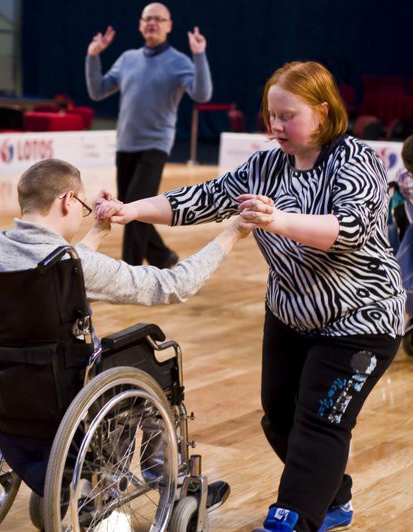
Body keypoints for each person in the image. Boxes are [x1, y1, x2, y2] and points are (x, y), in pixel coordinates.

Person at [97, 61, 404, 532]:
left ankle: (292, 518)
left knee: (319, 423)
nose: (276, 126)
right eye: (271, 115)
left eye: (288, 116)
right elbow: (201, 199)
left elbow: (349, 229)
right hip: (289, 314)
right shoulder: (264, 165)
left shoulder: (354, 159)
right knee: (279, 418)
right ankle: (333, 497)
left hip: (360, 321)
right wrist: (130, 209)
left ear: (322, 112)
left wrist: (276, 220)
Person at [0, 158, 251, 504]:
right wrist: (231, 234)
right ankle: (171, 487)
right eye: (82, 206)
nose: (83, 214)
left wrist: (98, 232)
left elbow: (63, 268)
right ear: (66, 201)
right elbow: (173, 285)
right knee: (153, 362)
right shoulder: (70, 264)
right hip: (65, 391)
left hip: (6, 390)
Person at [85, 2, 211, 268]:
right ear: (140, 24)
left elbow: (202, 94)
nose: (152, 23)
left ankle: (128, 269)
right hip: (125, 144)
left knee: (131, 207)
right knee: (132, 206)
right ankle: (162, 256)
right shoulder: (128, 58)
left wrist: (199, 55)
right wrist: (93, 56)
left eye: (158, 19)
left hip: (155, 145)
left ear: (169, 25)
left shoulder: (179, 61)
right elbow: (97, 90)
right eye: (147, 18)